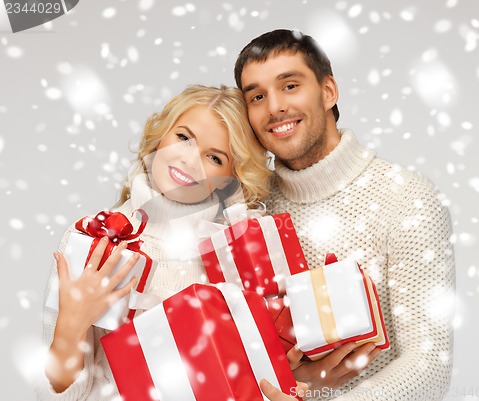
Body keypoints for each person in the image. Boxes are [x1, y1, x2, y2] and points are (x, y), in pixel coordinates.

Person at [35, 84, 299, 400]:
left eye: (214, 157)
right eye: (184, 137)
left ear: (231, 178)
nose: (189, 160)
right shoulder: (94, 239)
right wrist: (70, 326)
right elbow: (59, 395)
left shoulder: (237, 259)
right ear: (161, 136)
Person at [234, 29, 455, 400]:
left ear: (328, 92)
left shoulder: (406, 198)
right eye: (257, 96)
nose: (274, 107)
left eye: (289, 85)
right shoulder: (249, 207)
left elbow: (428, 364)